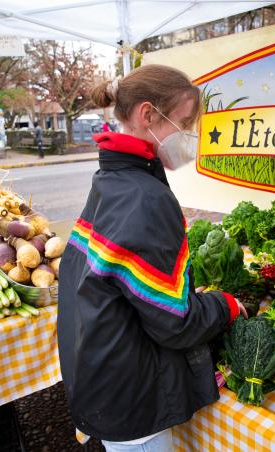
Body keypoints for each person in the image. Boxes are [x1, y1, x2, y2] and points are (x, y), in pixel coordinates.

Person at [57, 65, 247, 452]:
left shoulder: (112, 179)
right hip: (133, 397)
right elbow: (175, 323)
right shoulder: (146, 196)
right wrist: (225, 305)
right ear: (147, 115)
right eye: (183, 122)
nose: (190, 136)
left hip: (104, 372)